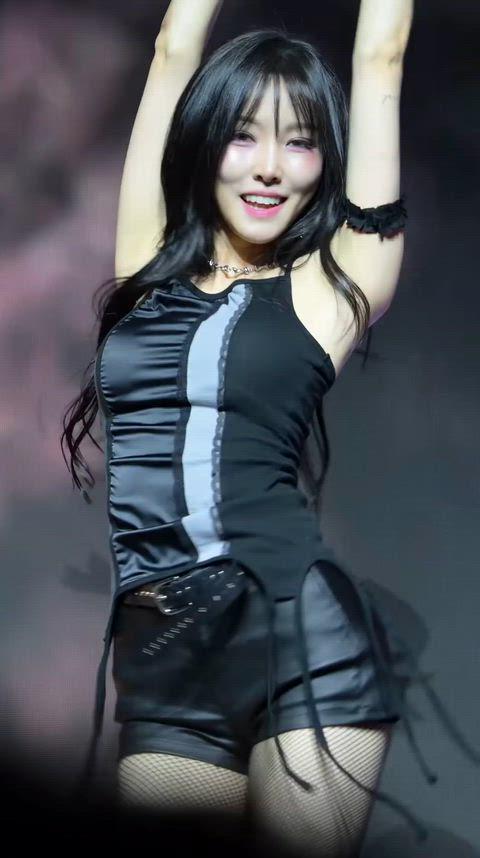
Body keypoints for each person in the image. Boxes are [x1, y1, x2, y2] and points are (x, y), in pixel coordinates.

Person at [60, 1, 478, 855]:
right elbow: (174, 46)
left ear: (325, 162)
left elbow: (383, 53)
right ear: (205, 139)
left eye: (300, 142)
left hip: (302, 639)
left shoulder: (336, 286)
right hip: (164, 661)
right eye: (245, 135)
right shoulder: (147, 265)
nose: (270, 168)